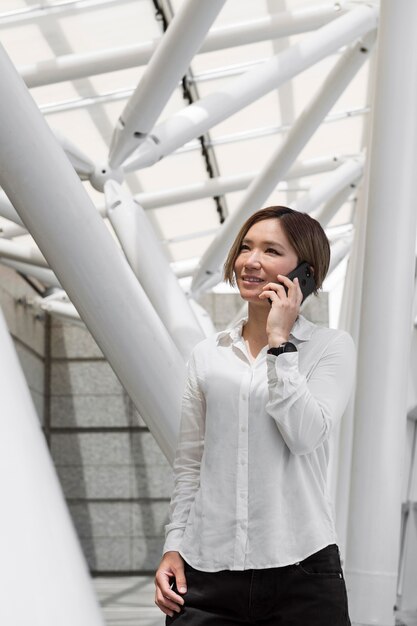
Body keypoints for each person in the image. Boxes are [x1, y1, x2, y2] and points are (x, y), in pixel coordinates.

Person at [154, 206, 356, 625]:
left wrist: (281, 344)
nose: (251, 261)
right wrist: (173, 546)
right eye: (246, 247)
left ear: (305, 272)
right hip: (206, 574)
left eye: (270, 250)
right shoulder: (207, 355)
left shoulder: (330, 349)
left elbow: (305, 435)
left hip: (302, 570)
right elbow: (191, 463)